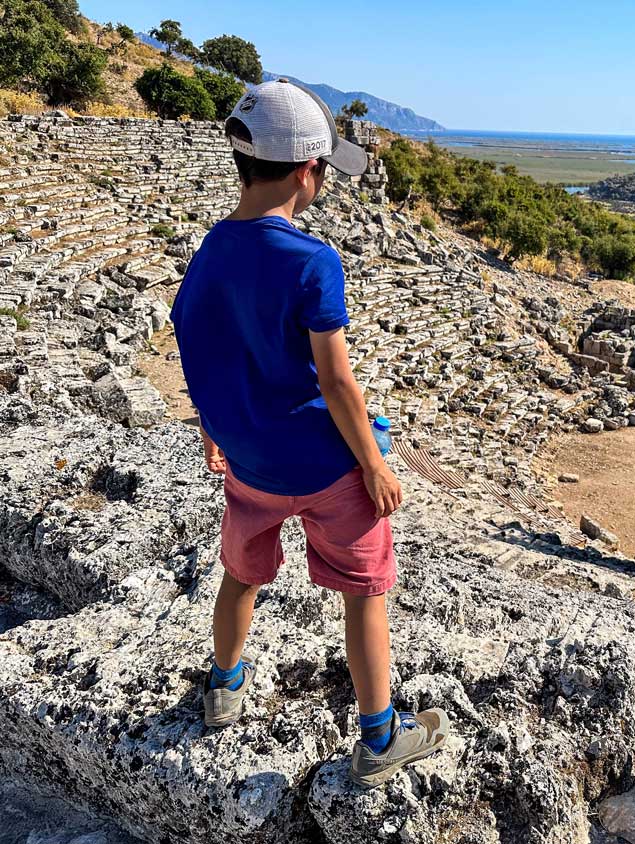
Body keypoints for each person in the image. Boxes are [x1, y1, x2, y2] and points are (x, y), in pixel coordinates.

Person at [170, 78, 448, 788]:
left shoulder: (210, 249)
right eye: (325, 167)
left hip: (251, 465)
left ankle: (224, 688)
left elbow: (199, 341)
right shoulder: (311, 260)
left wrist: (213, 426)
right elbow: (337, 383)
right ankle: (380, 736)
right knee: (364, 593)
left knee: (239, 576)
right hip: (325, 467)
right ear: (305, 170)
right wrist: (375, 467)